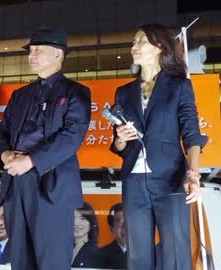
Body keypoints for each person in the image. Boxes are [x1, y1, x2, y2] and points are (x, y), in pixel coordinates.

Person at [110, 23, 208, 270]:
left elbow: (192, 135)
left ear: (160, 47)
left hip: (171, 179)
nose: (134, 46)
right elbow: (119, 145)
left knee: (175, 253)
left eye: (141, 40)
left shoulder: (178, 86)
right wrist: (121, 137)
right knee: (137, 256)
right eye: (133, 42)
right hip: (134, 182)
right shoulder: (123, 93)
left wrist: (193, 175)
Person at [0, 26, 91, 270]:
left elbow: (71, 137)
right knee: (20, 258)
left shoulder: (76, 92)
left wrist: (31, 161)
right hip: (16, 183)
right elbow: (2, 132)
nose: (32, 55)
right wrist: (4, 154)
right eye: (31, 51)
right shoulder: (20, 95)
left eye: (39, 50)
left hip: (52, 182)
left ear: (58, 54)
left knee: (52, 259)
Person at [72, 202, 101, 268]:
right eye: (72, 217)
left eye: (82, 218)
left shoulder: (97, 254)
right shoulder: (62, 249)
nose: (76, 223)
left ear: (91, 224)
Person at [97, 202, 126, 269]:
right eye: (120, 223)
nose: (125, 228)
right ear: (112, 229)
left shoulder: (148, 252)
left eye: (130, 222)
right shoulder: (99, 255)